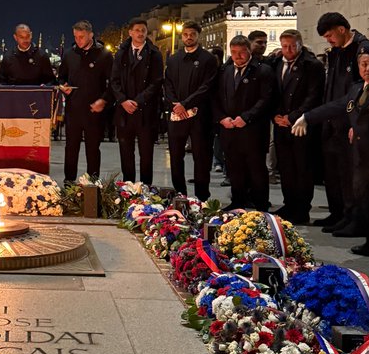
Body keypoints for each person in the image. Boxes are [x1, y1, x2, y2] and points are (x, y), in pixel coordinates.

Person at [295, 46, 369, 272]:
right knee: (365, 205)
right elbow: (335, 107)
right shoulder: (357, 89)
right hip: (360, 159)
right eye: (363, 64)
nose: (368, 69)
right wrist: (307, 117)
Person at [315, 11, 369, 235]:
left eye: (330, 35)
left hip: (349, 122)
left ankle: (355, 218)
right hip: (333, 121)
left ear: (341, 29)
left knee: (351, 175)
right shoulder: (337, 51)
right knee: (334, 172)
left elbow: (362, 89)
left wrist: (355, 121)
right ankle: (338, 212)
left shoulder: (361, 48)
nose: (328, 40)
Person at [213, 34, 274, 211]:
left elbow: (265, 99)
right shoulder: (225, 71)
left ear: (249, 51)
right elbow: (215, 98)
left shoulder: (262, 71)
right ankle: (238, 201)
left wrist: (246, 118)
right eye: (234, 52)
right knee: (234, 168)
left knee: (256, 169)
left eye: (241, 52)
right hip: (229, 129)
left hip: (253, 130)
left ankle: (261, 204)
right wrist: (222, 118)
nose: (238, 56)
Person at [271, 29, 324, 224]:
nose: (289, 50)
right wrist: (275, 115)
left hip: (301, 124)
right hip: (280, 124)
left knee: (302, 168)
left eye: (292, 46)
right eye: (285, 46)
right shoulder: (277, 63)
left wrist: (292, 117)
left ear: (300, 45)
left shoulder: (312, 66)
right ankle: (289, 203)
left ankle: (302, 209)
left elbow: (314, 95)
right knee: (285, 168)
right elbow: (272, 92)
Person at [163, 20, 218, 200]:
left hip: (200, 115)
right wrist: (175, 104)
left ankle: (202, 197)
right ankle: (180, 193)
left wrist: (185, 104)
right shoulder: (173, 59)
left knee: (201, 157)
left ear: (198, 36)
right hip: (177, 114)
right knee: (176, 155)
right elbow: (168, 84)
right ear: (182, 36)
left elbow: (207, 86)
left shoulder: (208, 59)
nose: (188, 37)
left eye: (192, 34)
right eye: (186, 34)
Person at [57, 20, 113, 182]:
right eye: (75, 37)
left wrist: (103, 100)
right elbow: (61, 77)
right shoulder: (69, 54)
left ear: (91, 35)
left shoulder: (104, 55)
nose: (78, 40)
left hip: (94, 111)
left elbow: (113, 83)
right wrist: (63, 86)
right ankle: (69, 182)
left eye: (81, 37)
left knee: (93, 149)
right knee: (71, 148)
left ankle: (93, 183)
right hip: (73, 110)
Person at [110, 17, 163, 184]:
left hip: (145, 112)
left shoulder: (154, 54)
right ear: (130, 32)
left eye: (143, 31)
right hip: (124, 112)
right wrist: (123, 101)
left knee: (146, 154)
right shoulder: (121, 53)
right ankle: (128, 188)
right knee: (126, 153)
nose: (140, 33)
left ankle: (146, 188)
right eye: (137, 30)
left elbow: (157, 82)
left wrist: (138, 101)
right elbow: (114, 80)